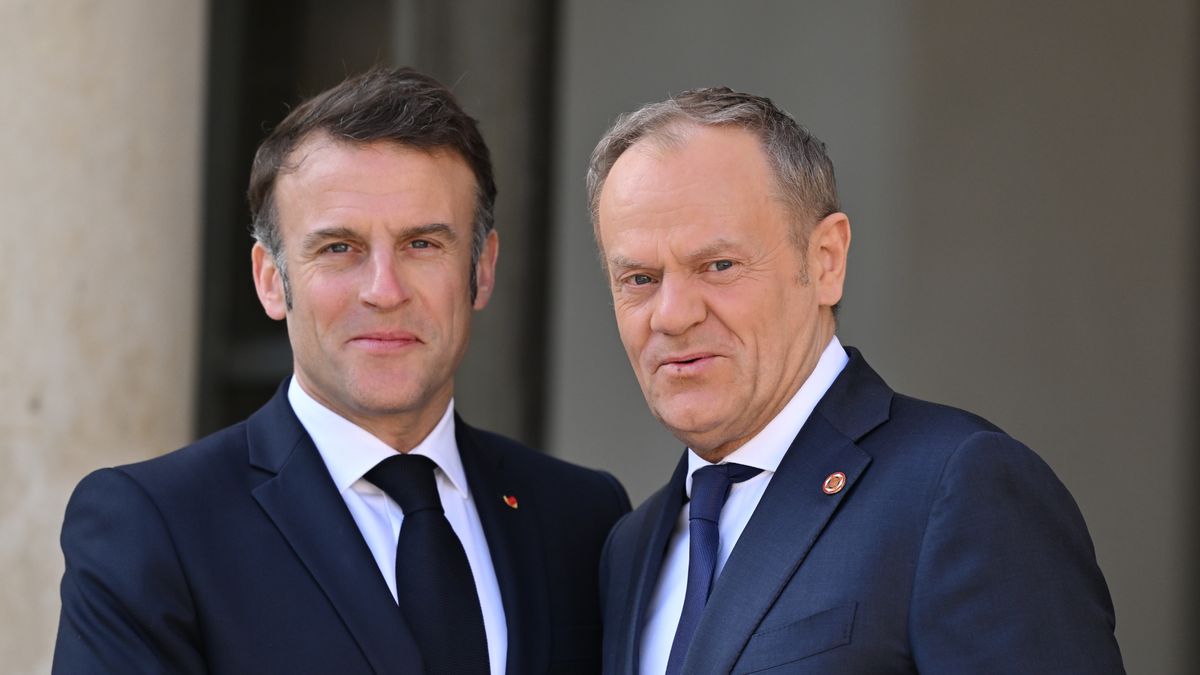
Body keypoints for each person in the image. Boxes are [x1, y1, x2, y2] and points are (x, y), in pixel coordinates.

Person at [53, 67, 630, 675]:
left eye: (423, 245)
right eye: (338, 248)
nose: (384, 291)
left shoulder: (582, 517)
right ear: (271, 280)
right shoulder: (153, 527)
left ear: (481, 269)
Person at [589, 87, 1124, 674]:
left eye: (718, 266)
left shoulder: (957, 488)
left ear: (825, 261)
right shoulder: (630, 549)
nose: (672, 314)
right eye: (639, 278)